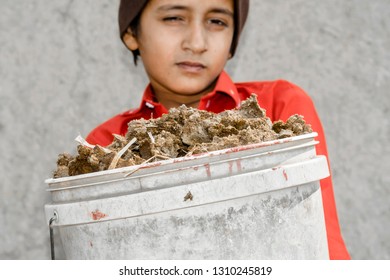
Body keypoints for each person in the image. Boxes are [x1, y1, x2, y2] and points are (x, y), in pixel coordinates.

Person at [86, 0, 350, 260]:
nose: (197, 43)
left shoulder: (279, 109)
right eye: (174, 18)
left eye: (217, 22)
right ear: (132, 32)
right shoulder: (107, 145)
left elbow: (322, 240)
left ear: (233, 42)